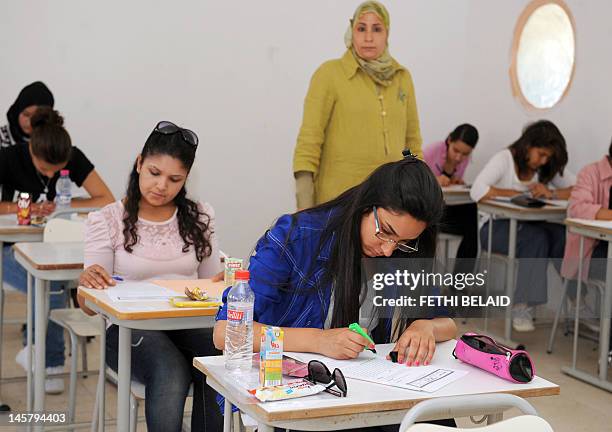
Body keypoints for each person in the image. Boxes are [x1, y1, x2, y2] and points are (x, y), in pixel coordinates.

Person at [215, 152, 457, 429]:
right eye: (384, 232)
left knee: (436, 422)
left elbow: (447, 323)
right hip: (299, 397)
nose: (388, 249)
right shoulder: (297, 235)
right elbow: (225, 333)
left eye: (403, 242)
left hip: (367, 392)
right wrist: (319, 341)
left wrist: (425, 327)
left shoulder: (405, 252)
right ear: (368, 205)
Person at [77, 121, 223, 432]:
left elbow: (213, 285)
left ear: (185, 180)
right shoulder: (109, 219)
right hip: (129, 330)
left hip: (187, 324)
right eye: (154, 173)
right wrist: (88, 281)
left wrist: (231, 278)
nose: (162, 186)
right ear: (139, 163)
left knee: (218, 362)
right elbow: (88, 305)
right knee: (170, 369)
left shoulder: (199, 217)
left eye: (174, 179)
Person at [1, 107, 114, 394]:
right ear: (31, 151)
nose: (51, 176)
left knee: (52, 283)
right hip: (9, 248)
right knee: (51, 285)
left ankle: (40, 354)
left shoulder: (73, 156)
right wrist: (20, 208)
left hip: (52, 248)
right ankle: (49, 361)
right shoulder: (9, 158)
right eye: (44, 170)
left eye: (57, 171)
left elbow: (106, 198)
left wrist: (62, 205)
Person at [293, 1, 423, 210]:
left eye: (377, 29)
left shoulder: (402, 77)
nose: (368, 37)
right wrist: (305, 206)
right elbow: (309, 140)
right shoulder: (329, 74)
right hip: (338, 203)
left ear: (387, 33)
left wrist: (418, 188)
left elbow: (412, 141)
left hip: (390, 203)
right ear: (351, 32)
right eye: (361, 28)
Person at [470, 120, 575, 332]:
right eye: (541, 154)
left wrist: (551, 192)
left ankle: (576, 298)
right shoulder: (504, 159)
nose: (544, 161)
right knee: (536, 238)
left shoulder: (545, 169)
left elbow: (579, 188)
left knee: (565, 236)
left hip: (528, 225)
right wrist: (520, 194)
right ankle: (522, 306)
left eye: (548, 157)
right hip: (493, 228)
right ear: (528, 146)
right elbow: (477, 190)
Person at [424, 124, 479, 274]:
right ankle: (423, 281)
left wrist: (455, 181)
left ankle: (460, 281)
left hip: (443, 211)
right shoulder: (432, 151)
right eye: (456, 150)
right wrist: (434, 180)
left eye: (465, 154)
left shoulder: (464, 160)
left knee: (472, 214)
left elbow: (448, 188)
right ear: (449, 140)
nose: (459, 157)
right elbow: (414, 179)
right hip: (426, 212)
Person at [1, 81, 54, 149]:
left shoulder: (54, 142)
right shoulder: (2, 138)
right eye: (26, 115)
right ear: (17, 111)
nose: (29, 122)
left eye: (37, 117)